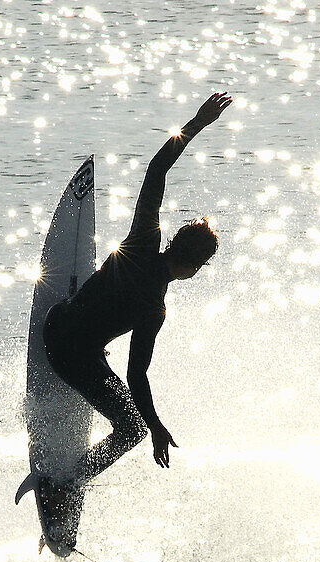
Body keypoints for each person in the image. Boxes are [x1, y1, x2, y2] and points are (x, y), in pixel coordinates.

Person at [41, 91, 233, 500]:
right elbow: (136, 375)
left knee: (100, 297)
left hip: (57, 319)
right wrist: (155, 426)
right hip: (70, 358)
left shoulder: (145, 240)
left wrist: (196, 123)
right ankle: (69, 486)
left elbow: (156, 170)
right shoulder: (154, 309)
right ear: (194, 268)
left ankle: (86, 316)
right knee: (130, 429)